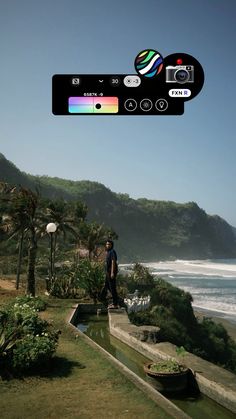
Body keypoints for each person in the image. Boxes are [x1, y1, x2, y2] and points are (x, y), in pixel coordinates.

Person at [100, 239, 119, 309]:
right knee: (107, 285)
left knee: (112, 287)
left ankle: (115, 304)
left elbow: (113, 262)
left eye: (109, 244)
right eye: (107, 244)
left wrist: (112, 273)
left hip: (111, 272)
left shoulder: (112, 252)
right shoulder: (108, 252)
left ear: (112, 245)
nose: (108, 245)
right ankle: (114, 299)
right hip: (108, 272)